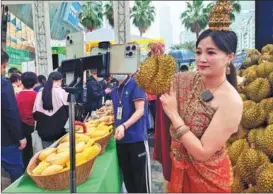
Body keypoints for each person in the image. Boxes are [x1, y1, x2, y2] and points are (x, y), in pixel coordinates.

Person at [157, 28, 243, 192]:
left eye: (210, 52)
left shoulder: (231, 102)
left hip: (208, 180)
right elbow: (158, 82)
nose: (202, 59)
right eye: (198, 52)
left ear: (229, 57)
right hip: (180, 170)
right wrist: (156, 60)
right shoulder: (189, 79)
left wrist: (174, 115)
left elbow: (202, 152)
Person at [111, 74, 151, 193]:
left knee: (141, 181)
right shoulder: (114, 89)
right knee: (128, 179)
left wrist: (124, 125)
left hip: (136, 140)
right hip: (121, 141)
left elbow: (140, 110)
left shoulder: (136, 84)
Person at [1, 49, 26, 182]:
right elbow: (10, 113)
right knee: (16, 171)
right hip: (5, 139)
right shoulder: (3, 84)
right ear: (4, 65)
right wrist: (20, 137)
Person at [33, 72, 69, 148]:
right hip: (60, 132)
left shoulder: (40, 93)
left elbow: (35, 114)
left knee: (48, 155)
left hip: (44, 132)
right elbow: (69, 111)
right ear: (60, 80)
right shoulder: (62, 92)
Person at [16, 72, 38, 168]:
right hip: (34, 126)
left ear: (22, 82)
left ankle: (26, 169)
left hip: (21, 126)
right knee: (34, 149)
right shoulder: (37, 95)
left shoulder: (18, 95)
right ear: (35, 82)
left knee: (25, 151)